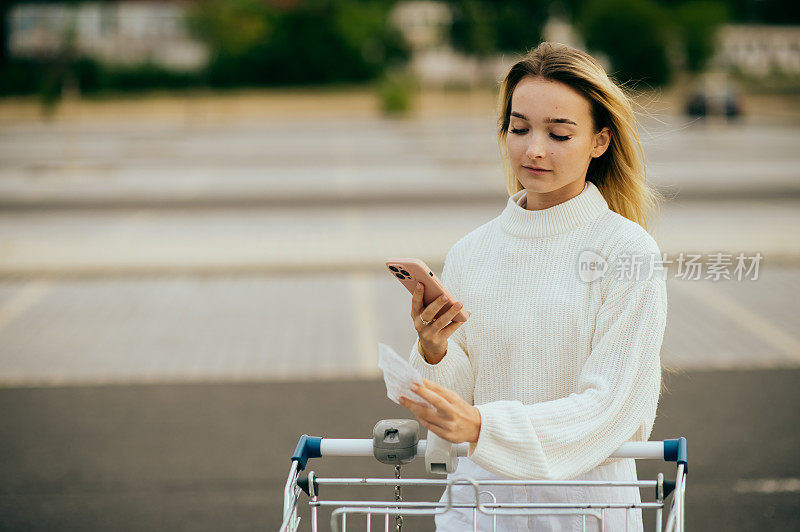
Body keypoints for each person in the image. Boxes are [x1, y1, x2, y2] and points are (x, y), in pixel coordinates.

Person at [398, 41, 669, 531]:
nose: (533, 148)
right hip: (479, 506)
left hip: (583, 512)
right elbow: (455, 407)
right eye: (518, 128)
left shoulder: (627, 253)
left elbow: (612, 407)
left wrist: (485, 427)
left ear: (600, 142)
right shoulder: (471, 250)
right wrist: (435, 350)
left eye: (559, 133)